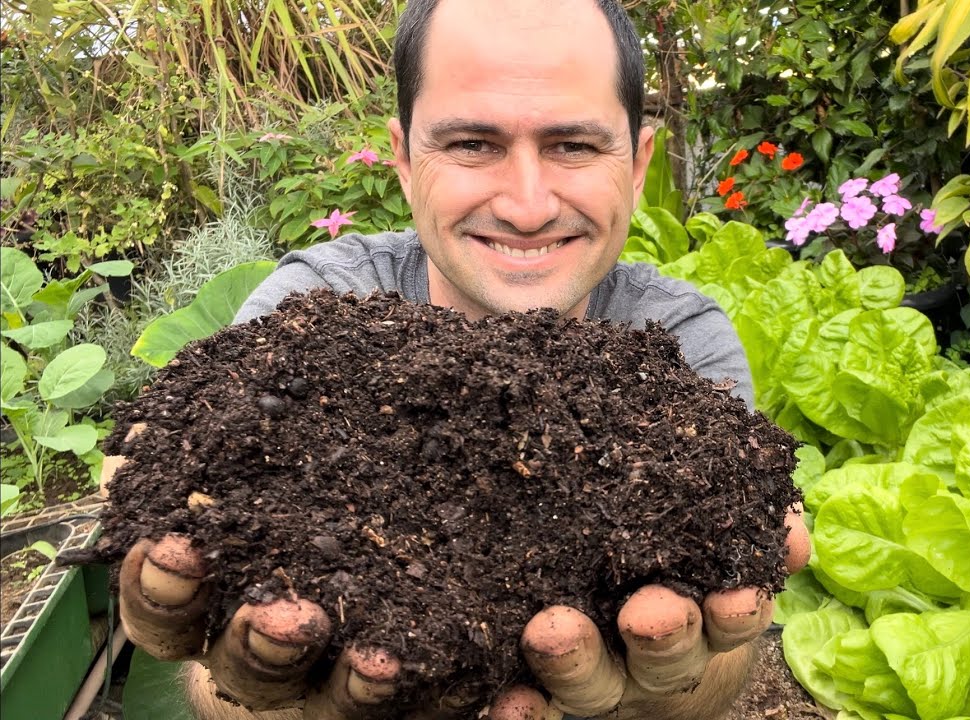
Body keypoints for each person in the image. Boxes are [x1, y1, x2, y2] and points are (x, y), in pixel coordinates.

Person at [109, 1, 811, 718]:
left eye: (573, 146)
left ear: (636, 167)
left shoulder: (680, 338)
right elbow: (215, 667)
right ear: (406, 162)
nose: (528, 206)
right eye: (474, 143)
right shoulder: (312, 305)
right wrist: (269, 687)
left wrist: (664, 686)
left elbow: (725, 649)